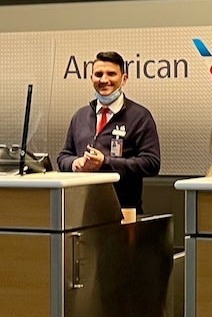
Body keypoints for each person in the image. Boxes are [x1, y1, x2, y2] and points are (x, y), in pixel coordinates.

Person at [56, 50, 161, 221]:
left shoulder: (140, 116)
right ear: (91, 79)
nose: (104, 80)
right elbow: (63, 157)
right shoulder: (80, 116)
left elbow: (152, 163)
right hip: (80, 213)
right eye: (98, 74)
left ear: (124, 79)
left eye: (111, 74)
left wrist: (105, 163)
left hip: (123, 213)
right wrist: (76, 163)